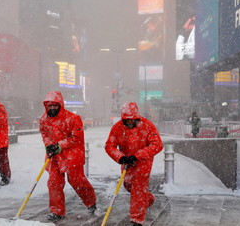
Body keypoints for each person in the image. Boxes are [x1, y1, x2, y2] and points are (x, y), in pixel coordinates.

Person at [39, 91, 97, 222]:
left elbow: (76, 138)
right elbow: (44, 134)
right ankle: (57, 211)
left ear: (60, 105)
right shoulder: (44, 119)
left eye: (55, 105)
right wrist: (49, 145)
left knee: (77, 181)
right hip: (54, 155)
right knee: (54, 183)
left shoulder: (73, 118)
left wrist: (60, 145)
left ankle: (91, 202)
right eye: (50, 105)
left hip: (72, 155)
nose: (52, 108)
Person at [105, 102, 163, 226]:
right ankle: (147, 199)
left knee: (138, 187)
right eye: (127, 120)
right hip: (126, 162)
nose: (130, 123)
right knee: (128, 185)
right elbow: (110, 146)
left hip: (143, 161)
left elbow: (157, 145)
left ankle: (137, 219)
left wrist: (138, 156)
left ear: (137, 118)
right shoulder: (117, 128)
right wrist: (121, 158)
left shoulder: (147, 126)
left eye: (133, 120)